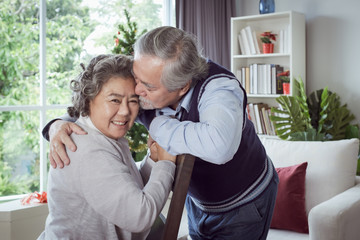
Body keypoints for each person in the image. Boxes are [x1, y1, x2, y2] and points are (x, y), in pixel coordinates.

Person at [43, 26, 279, 240]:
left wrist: (159, 126)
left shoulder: (219, 89)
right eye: (137, 77)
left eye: (148, 87)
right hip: (198, 202)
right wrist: (56, 125)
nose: (136, 90)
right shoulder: (145, 74)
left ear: (182, 86)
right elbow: (95, 93)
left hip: (244, 202)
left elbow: (219, 147)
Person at [38, 54, 176, 240]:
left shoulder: (106, 137)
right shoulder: (88, 149)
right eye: (115, 100)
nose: (126, 111)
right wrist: (166, 164)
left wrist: (153, 161)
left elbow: (124, 188)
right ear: (88, 99)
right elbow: (139, 217)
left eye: (133, 101)